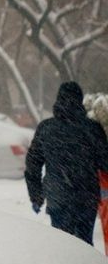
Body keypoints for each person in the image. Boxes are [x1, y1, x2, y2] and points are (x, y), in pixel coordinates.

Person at [25, 81, 108, 245]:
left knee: (62, 244)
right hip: (86, 198)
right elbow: (104, 162)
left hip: (58, 197)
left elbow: (33, 163)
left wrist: (36, 196)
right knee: (84, 244)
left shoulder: (46, 128)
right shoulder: (92, 129)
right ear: (80, 101)